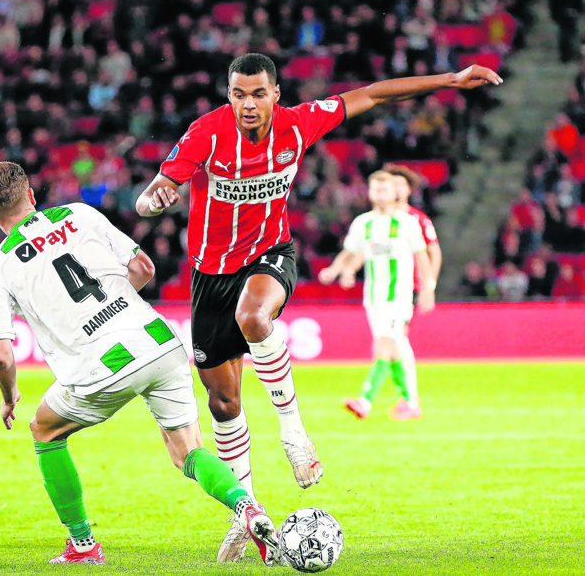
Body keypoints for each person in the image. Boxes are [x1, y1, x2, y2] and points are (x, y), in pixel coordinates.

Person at [134, 52, 501, 557]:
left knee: (254, 316)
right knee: (224, 403)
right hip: (210, 273)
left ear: (276, 95)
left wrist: (451, 79)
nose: (247, 104)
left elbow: (372, 92)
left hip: (269, 254)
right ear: (229, 95)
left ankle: (294, 434)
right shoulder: (207, 133)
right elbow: (163, 183)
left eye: (258, 93)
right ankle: (248, 513)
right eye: (238, 93)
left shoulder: (298, 125)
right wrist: (154, 197)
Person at [0, 162, 283, 566]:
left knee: (45, 431)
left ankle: (84, 546)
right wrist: (117, 306)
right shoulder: (79, 213)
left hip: (102, 361)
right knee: (188, 452)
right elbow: (144, 268)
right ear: (31, 195)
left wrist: (9, 394)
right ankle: (248, 507)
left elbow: (0, 353)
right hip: (158, 338)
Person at [317, 170, 435, 420]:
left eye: (384, 190)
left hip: (398, 296)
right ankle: (410, 402)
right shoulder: (364, 223)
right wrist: (337, 270)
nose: (380, 194)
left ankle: (365, 401)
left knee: (385, 345)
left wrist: (428, 287)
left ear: (394, 193)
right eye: (375, 189)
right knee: (393, 349)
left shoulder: (407, 222)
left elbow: (423, 256)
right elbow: (351, 252)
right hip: (373, 298)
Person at [386, 164, 442, 420]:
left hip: (408, 287)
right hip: (384, 288)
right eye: (392, 184)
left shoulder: (417, 219)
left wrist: (429, 285)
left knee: (397, 338)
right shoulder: (380, 219)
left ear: (409, 189)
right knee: (390, 342)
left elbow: (434, 252)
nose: (396, 189)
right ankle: (405, 397)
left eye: (401, 185)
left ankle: (411, 400)